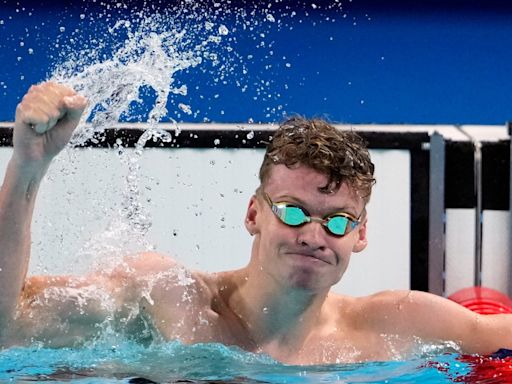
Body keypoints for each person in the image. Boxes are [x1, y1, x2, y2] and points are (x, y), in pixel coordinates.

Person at [0, 81, 511, 365]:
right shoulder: (168, 300)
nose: (313, 235)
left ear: (361, 234)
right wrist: (28, 165)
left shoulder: (396, 325)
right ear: (253, 214)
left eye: (338, 222)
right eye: (293, 212)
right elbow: (8, 326)